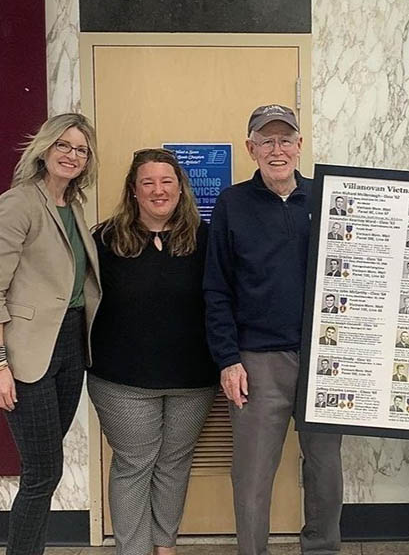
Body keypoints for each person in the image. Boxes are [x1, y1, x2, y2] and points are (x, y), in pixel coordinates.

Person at [204, 104, 342, 555]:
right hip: (258, 360)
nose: (277, 149)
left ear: (300, 145)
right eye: (267, 140)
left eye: (286, 140)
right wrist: (228, 359)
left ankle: (322, 548)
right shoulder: (232, 204)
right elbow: (216, 287)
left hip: (325, 357)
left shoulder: (328, 196)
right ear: (252, 148)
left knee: (325, 468)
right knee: (252, 474)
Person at [88, 149, 218, 555]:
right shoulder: (105, 240)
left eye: (167, 181)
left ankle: (165, 547)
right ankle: (133, 550)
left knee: (174, 463)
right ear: (134, 190)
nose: (158, 190)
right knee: (134, 464)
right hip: (121, 381)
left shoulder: (205, 239)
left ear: (180, 188)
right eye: (148, 182)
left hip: (193, 380)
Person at [0, 113, 101, 555]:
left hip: (70, 344)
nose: (72, 155)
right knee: (42, 471)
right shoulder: (19, 203)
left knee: (47, 467)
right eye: (63, 145)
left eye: (81, 149)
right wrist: (0, 364)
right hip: (27, 351)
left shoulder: (73, 206)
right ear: (44, 148)